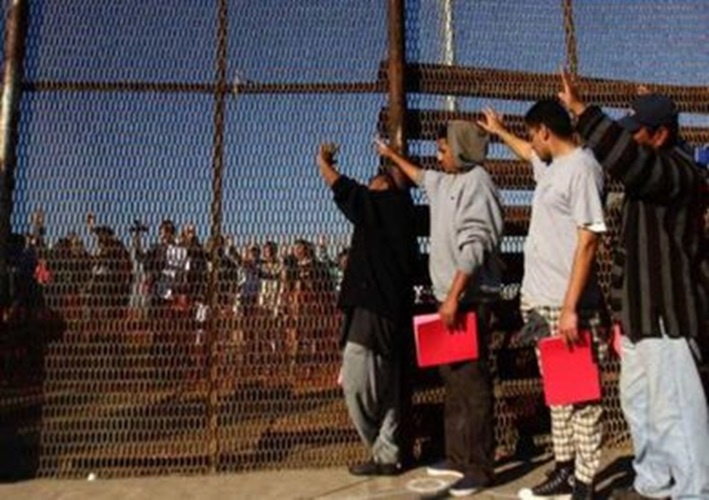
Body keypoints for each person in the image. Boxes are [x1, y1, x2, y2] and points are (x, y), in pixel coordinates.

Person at [559, 72, 709, 500]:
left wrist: (583, 112)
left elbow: (628, 160)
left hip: (669, 316)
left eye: (638, 132)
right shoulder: (642, 191)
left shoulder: (678, 173)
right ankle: (652, 485)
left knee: (676, 413)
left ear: (660, 135)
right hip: (639, 318)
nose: (631, 140)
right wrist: (620, 316)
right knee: (639, 405)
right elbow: (626, 256)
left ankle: (695, 491)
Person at [477, 100, 608, 500]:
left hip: (566, 304)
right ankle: (564, 470)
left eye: (532, 134)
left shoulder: (583, 169)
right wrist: (500, 132)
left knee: (582, 396)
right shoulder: (552, 166)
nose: (531, 142)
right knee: (559, 393)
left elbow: (589, 239)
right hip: (542, 301)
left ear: (545, 131)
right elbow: (527, 153)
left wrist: (570, 308)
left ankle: (585, 482)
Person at [376, 121, 503, 497]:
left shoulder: (476, 183)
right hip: (449, 300)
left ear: (461, 150)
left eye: (444, 150)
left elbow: (475, 244)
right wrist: (391, 154)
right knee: (454, 382)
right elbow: (420, 176)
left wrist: (453, 298)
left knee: (472, 384)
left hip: (467, 301)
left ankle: (479, 467)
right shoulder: (446, 182)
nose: (438, 156)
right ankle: (459, 458)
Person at [316, 142, 418, 477]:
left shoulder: (387, 205)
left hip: (373, 309)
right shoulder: (392, 211)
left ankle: (381, 450)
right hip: (389, 309)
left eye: (380, 179)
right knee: (388, 387)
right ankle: (388, 455)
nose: (373, 180)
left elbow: (346, 189)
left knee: (358, 382)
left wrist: (324, 164)